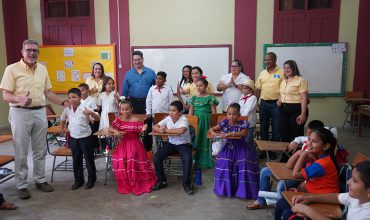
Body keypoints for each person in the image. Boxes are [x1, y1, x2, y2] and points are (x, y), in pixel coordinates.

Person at [0, 39, 68, 199]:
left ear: (38, 53)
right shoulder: (12, 69)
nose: (32, 53)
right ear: (22, 52)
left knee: (40, 150)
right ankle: (22, 185)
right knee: (21, 151)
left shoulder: (42, 69)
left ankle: (40, 179)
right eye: (29, 50)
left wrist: (63, 103)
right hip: (20, 112)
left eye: (35, 51)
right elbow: (5, 95)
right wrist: (19, 99)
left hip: (39, 112)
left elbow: (48, 92)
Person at [247, 120, 325, 210]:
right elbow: (289, 165)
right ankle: (261, 201)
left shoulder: (318, 153)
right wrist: (299, 150)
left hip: (302, 174)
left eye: (312, 138)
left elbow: (299, 173)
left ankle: (282, 208)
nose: (308, 140)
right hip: (295, 168)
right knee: (265, 171)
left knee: (281, 185)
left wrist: (303, 154)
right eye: (308, 136)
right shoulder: (308, 143)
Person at [274, 128, 339, 220]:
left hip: (324, 200)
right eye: (309, 139)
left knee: (287, 213)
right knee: (281, 203)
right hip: (312, 196)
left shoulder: (322, 163)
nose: (309, 143)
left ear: (325, 146)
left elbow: (295, 174)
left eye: (314, 141)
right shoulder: (314, 156)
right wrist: (299, 152)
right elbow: (289, 165)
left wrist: (304, 154)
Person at [209, 103, 260, 199]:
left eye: (234, 114)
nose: (231, 116)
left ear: (239, 115)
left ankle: (244, 191)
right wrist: (213, 133)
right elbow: (211, 129)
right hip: (228, 147)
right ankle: (226, 190)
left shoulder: (243, 123)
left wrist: (229, 134)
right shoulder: (224, 122)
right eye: (229, 114)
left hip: (241, 147)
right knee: (224, 162)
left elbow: (243, 133)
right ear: (226, 114)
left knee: (244, 162)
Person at [290, 160, 370, 220]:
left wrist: (307, 210)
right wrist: (309, 198)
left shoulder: (366, 216)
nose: (348, 182)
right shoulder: (358, 197)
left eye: (354, 181)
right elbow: (337, 197)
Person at [108, 99, 157, 195]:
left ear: (131, 109)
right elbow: (110, 127)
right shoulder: (118, 119)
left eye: (127, 109)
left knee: (131, 157)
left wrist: (144, 128)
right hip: (123, 144)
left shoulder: (136, 120)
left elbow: (141, 130)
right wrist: (115, 131)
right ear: (120, 110)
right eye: (123, 109)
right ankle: (127, 181)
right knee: (121, 159)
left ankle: (135, 180)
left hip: (135, 144)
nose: (125, 111)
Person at [60, 88, 100, 190]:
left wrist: (91, 113)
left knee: (88, 158)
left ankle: (91, 179)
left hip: (85, 137)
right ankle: (78, 180)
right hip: (73, 137)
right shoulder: (67, 108)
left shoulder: (85, 108)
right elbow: (62, 119)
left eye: (74, 97)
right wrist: (62, 128)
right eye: (69, 98)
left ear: (80, 97)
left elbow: (97, 118)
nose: (71, 100)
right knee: (76, 159)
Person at [152, 100, 194, 195]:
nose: (171, 112)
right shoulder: (168, 118)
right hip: (170, 143)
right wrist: (160, 130)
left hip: (183, 144)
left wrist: (166, 130)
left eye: (173, 110)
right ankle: (162, 181)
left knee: (187, 159)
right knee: (157, 157)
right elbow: (155, 126)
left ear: (180, 112)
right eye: (170, 110)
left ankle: (186, 183)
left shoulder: (184, 119)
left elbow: (181, 131)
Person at [255, 52, 284, 159]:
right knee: (263, 127)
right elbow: (258, 89)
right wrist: (256, 102)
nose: (267, 61)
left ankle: (273, 151)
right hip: (264, 103)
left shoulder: (282, 72)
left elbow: (285, 88)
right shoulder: (262, 73)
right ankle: (264, 150)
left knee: (276, 128)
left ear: (275, 59)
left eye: (269, 59)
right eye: (265, 60)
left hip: (277, 104)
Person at [189, 77, 218, 168]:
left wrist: (212, 124)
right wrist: (190, 122)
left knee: (206, 139)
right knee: (196, 139)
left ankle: (206, 161)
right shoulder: (193, 98)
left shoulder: (210, 98)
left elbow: (214, 112)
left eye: (201, 86)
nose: (198, 87)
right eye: (197, 86)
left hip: (206, 121)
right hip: (196, 121)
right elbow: (191, 111)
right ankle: (195, 160)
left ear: (206, 86)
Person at [277, 60, 308, 142]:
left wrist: (303, 114)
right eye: (285, 68)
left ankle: (295, 153)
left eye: (288, 68)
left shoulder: (301, 80)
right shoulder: (283, 81)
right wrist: (279, 100)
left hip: (296, 109)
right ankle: (286, 154)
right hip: (283, 109)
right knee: (283, 132)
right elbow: (281, 94)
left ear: (294, 68)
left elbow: (304, 98)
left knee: (295, 133)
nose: (286, 70)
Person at [145, 71, 174, 151]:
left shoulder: (168, 89)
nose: (157, 80)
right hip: (155, 116)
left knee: (165, 133)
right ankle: (158, 149)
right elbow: (148, 101)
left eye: (160, 79)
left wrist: (170, 114)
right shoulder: (152, 89)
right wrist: (148, 112)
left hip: (166, 116)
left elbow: (171, 102)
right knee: (157, 133)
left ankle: (167, 148)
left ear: (164, 80)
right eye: (156, 78)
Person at [238, 79, 257, 147]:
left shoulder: (253, 98)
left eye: (245, 88)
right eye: (243, 88)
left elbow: (248, 109)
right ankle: (243, 155)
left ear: (251, 90)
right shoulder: (242, 97)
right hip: (242, 121)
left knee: (248, 140)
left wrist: (241, 118)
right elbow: (239, 108)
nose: (243, 90)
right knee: (242, 139)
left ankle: (250, 155)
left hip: (249, 122)